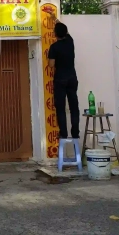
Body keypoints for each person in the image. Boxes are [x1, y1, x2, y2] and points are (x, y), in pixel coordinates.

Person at [47, 12, 80, 140]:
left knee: (60, 108)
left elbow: (51, 65)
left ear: (55, 34)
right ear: (65, 33)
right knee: (74, 107)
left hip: (60, 79)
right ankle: (75, 133)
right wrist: (55, 18)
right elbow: (64, 29)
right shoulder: (70, 42)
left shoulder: (54, 47)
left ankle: (63, 133)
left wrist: (50, 58)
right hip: (72, 77)